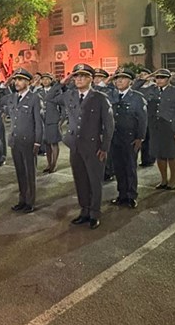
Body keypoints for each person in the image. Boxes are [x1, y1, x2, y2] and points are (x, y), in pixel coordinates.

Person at [60, 63, 114, 229]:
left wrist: (104, 147)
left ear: (91, 78)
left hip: (93, 146)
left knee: (94, 180)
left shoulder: (99, 97)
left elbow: (109, 125)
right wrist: (63, 81)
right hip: (75, 146)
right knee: (80, 180)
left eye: (83, 76)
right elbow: (50, 97)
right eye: (76, 76)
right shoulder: (70, 96)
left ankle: (94, 213)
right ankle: (84, 210)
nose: (79, 79)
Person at [4, 68, 44, 213]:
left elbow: (39, 122)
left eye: (20, 80)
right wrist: (5, 83)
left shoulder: (34, 98)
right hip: (16, 140)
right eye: (15, 80)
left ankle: (30, 201)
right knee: (20, 172)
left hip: (29, 141)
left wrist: (38, 142)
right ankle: (22, 199)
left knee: (29, 173)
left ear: (28, 82)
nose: (17, 82)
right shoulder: (13, 97)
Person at [109, 69, 148, 208]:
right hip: (114, 137)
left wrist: (140, 137)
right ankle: (122, 195)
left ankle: (131, 196)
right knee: (118, 167)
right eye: (117, 79)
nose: (119, 81)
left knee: (130, 167)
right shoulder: (111, 95)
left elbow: (143, 119)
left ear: (131, 81)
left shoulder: (137, 97)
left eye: (123, 79)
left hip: (130, 138)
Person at [143, 69, 175, 190]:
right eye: (157, 77)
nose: (159, 80)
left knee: (172, 154)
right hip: (155, 127)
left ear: (168, 79)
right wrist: (147, 77)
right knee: (159, 154)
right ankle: (163, 180)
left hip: (170, 127)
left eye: (162, 77)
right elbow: (136, 88)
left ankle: (173, 180)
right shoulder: (151, 90)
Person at [37, 73, 63, 174]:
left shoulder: (56, 91)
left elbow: (62, 106)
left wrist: (62, 119)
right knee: (46, 143)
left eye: (47, 79)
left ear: (51, 80)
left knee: (54, 142)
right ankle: (49, 163)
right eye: (43, 79)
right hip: (42, 119)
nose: (45, 81)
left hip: (53, 119)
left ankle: (54, 164)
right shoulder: (39, 91)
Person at [131, 66, 156, 167]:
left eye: (145, 74)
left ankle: (148, 159)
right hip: (137, 117)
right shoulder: (138, 87)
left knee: (149, 139)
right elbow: (133, 89)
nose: (143, 76)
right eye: (141, 75)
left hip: (150, 116)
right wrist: (141, 80)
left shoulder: (154, 87)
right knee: (140, 138)